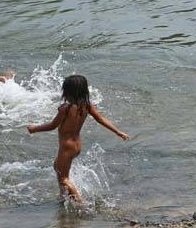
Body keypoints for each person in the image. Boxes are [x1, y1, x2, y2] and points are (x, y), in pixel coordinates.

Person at [26, 74, 128, 203]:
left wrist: (34, 128)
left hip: (67, 146)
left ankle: (81, 203)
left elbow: (52, 125)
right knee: (57, 167)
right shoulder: (86, 106)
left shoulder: (66, 109)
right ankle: (63, 196)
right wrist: (118, 132)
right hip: (76, 145)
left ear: (68, 91)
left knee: (64, 178)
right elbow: (101, 119)